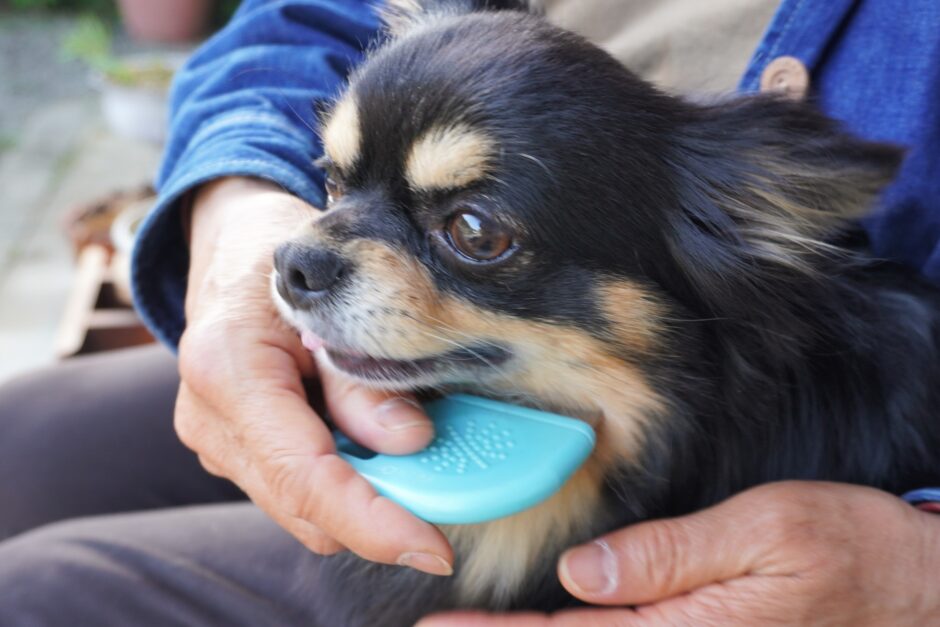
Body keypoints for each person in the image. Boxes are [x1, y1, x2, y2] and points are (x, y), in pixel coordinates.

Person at [1, 0, 939, 624]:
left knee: (38, 596)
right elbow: (307, 19)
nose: (317, 251)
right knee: (23, 444)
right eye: (338, 180)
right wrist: (241, 209)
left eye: (473, 229)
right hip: (439, 366)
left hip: (747, 497)